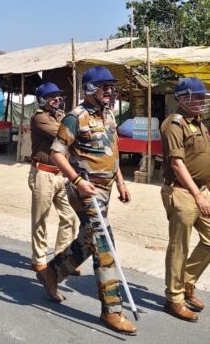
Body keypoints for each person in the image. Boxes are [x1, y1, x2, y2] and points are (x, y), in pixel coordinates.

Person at [36, 66, 136, 336]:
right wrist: (78, 181)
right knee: (104, 243)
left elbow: (113, 150)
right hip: (84, 190)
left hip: (106, 189)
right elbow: (57, 153)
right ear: (90, 89)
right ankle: (111, 310)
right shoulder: (75, 117)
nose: (110, 91)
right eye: (105, 87)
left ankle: (52, 273)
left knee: (90, 239)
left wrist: (121, 181)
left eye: (111, 86)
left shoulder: (109, 114)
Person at [160, 77, 210, 323]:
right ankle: (174, 297)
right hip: (182, 192)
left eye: (203, 96)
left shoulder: (198, 122)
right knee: (179, 246)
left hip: (201, 190)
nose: (202, 100)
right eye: (197, 96)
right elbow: (177, 163)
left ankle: (185, 280)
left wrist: (202, 192)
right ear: (182, 98)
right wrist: (197, 195)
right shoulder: (174, 125)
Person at [28, 82, 76, 273]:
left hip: (60, 174)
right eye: (51, 96)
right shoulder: (39, 118)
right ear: (42, 100)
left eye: (57, 95)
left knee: (69, 217)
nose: (56, 99)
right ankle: (39, 258)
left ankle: (61, 258)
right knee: (40, 218)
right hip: (43, 173)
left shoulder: (61, 116)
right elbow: (65, 135)